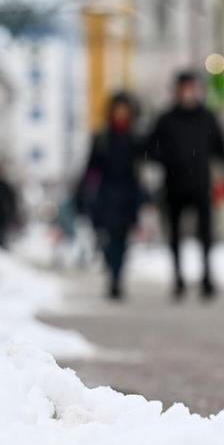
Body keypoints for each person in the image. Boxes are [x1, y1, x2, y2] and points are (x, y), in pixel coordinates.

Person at [147, 71, 224, 300]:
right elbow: (150, 148)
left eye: (191, 88)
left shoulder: (207, 118)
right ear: (177, 91)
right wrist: (165, 158)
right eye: (184, 88)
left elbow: (222, 150)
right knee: (174, 233)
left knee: (205, 233)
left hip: (200, 185)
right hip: (173, 186)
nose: (188, 93)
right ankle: (178, 278)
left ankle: (206, 276)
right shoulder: (166, 120)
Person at [75, 92, 144, 300]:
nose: (121, 114)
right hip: (106, 195)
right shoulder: (102, 138)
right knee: (108, 238)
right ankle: (112, 271)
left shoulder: (135, 139)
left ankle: (117, 277)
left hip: (128, 195)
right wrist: (84, 189)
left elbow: (142, 168)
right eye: (118, 110)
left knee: (122, 239)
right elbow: (91, 167)